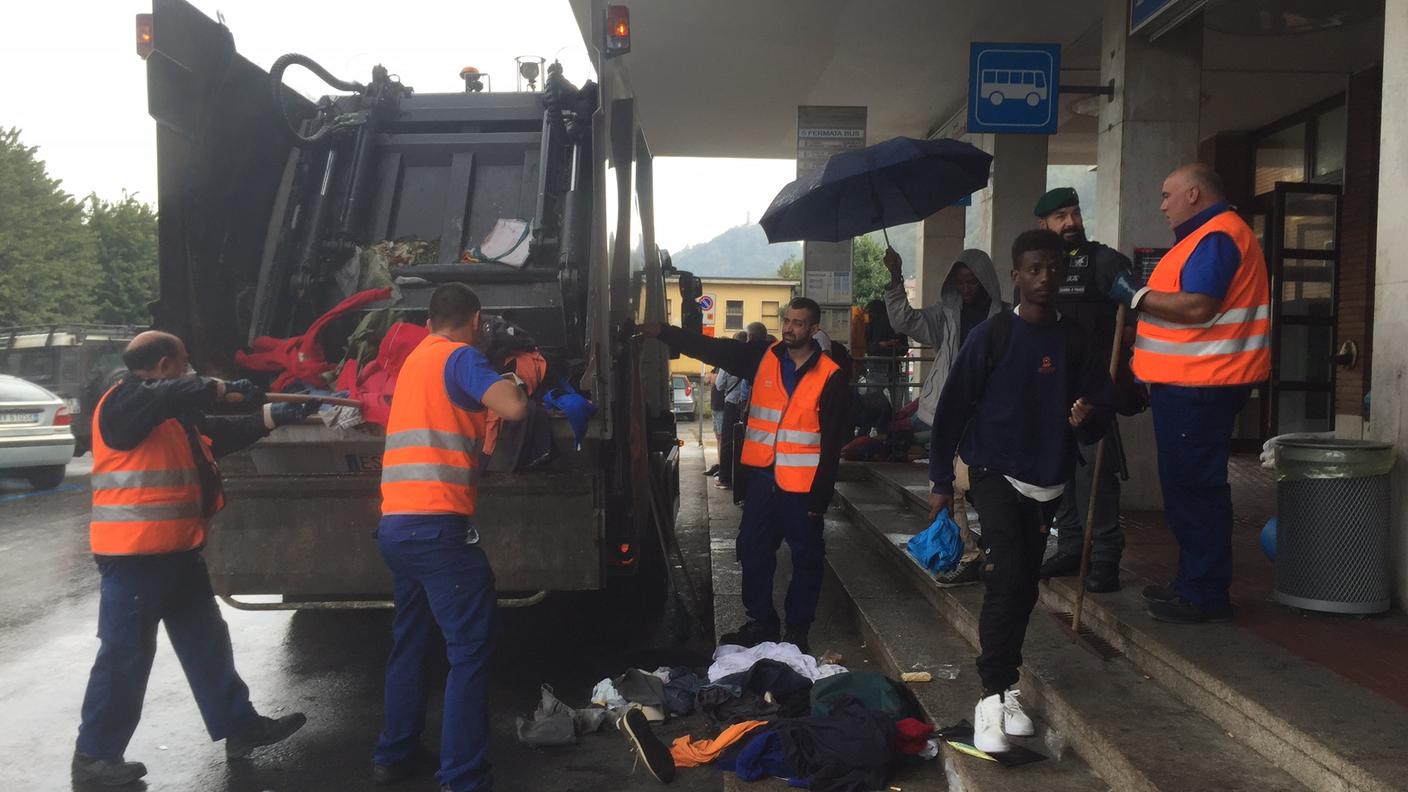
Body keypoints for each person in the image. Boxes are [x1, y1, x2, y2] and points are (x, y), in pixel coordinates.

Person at [73, 331, 314, 787]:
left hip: (179, 552)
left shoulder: (168, 413)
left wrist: (268, 416)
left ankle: (240, 727)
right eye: (184, 363)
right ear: (163, 366)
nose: (190, 372)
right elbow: (182, 391)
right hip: (135, 557)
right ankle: (94, 757)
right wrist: (222, 386)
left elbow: (213, 436)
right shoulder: (124, 402)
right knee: (125, 658)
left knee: (207, 643)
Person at [927, 230, 1112, 754]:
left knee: (1025, 584)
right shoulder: (993, 335)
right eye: (1034, 268)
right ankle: (991, 695)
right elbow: (953, 410)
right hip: (993, 470)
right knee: (1007, 574)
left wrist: (1086, 418)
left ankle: (1007, 689)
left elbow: (1097, 422)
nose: (1044, 277)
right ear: (1016, 275)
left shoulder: (1076, 340)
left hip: (1048, 478)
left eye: (1052, 268)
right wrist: (942, 480)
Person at [372, 283, 528, 791]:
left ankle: (394, 753)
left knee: (411, 641)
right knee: (469, 650)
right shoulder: (459, 357)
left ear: (430, 318)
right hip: (437, 528)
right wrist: (515, 378)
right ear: (475, 319)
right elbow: (513, 408)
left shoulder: (416, 357)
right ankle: (463, 777)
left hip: (396, 525)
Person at [1108, 163, 1270, 625]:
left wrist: (1135, 296)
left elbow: (1199, 306)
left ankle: (1203, 593)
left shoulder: (1217, 236)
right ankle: (1193, 584)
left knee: (1194, 491)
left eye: (1166, 195)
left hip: (1201, 385)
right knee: (1187, 489)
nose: (1161, 205)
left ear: (1194, 194)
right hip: (1194, 385)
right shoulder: (1209, 237)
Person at [638, 299, 848, 653]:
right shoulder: (762, 357)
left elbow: (832, 441)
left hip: (803, 488)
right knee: (752, 551)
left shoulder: (831, 375)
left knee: (807, 559)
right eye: (787, 320)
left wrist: (821, 495)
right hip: (764, 481)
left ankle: (798, 630)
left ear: (814, 330)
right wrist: (664, 332)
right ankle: (762, 622)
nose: (789, 328)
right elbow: (713, 349)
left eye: (798, 323)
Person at [1031, 187, 1136, 593]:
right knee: (1063, 476)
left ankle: (1106, 555)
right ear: (1043, 224)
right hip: (1051, 390)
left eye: (1074, 213)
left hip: (1092, 391)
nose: (1070, 222)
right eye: (1060, 217)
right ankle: (1072, 547)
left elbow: (1135, 314)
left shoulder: (1105, 261)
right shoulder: (1041, 267)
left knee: (1096, 475)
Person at [884, 246, 1005, 584]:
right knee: (950, 483)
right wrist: (896, 278)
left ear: (986, 282)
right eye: (961, 282)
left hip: (990, 414)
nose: (967, 289)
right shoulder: (945, 316)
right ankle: (968, 554)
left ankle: (996, 545)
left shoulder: (1005, 319)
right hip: (950, 410)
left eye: (973, 282)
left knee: (979, 482)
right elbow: (904, 320)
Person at [713, 331, 750, 489]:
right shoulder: (752, 359)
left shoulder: (728, 361)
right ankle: (742, 480)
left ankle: (725, 477)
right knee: (744, 442)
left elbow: (719, 385)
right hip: (746, 404)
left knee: (727, 441)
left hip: (731, 404)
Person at [704, 368, 725, 477]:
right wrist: (713, 377)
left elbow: (719, 382)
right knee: (718, 437)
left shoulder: (724, 367)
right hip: (716, 406)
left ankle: (722, 466)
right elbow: (707, 379)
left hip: (722, 406)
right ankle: (719, 463)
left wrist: (713, 377)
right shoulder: (716, 367)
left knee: (722, 437)